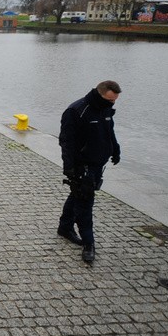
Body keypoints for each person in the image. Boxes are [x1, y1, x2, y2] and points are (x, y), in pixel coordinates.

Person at [57, 80, 122, 264]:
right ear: (99, 94)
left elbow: (109, 131)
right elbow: (66, 141)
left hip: (98, 163)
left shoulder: (105, 109)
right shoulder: (76, 110)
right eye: (109, 100)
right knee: (85, 203)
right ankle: (89, 243)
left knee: (77, 195)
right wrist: (68, 167)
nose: (112, 104)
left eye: (115, 101)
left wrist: (115, 150)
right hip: (81, 165)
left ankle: (65, 227)